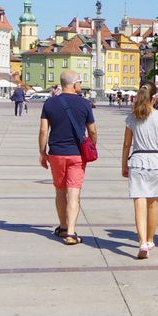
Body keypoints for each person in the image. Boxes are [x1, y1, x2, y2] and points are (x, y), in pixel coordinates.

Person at [39, 70, 97, 245]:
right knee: (73, 193)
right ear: (73, 84)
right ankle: (70, 233)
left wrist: (43, 152)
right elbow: (92, 130)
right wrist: (92, 145)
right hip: (77, 154)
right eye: (79, 81)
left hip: (56, 153)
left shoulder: (49, 103)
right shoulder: (84, 104)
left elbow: (43, 130)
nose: (80, 84)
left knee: (60, 191)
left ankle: (63, 226)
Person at [122, 82, 158, 259]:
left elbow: (127, 144)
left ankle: (142, 241)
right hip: (156, 162)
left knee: (139, 203)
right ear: (154, 98)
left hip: (137, 161)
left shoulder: (132, 118)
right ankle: (150, 239)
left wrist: (123, 165)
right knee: (153, 203)